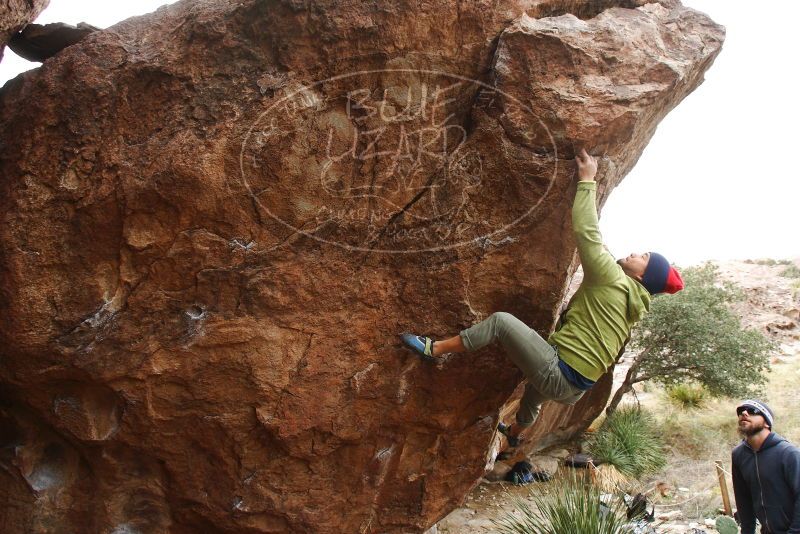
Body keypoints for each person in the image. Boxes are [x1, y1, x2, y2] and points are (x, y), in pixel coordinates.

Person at [400, 148, 684, 446]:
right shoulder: (633, 305)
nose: (637, 252)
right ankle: (516, 434)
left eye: (645, 256)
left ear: (642, 275)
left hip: (561, 372)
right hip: (575, 388)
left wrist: (588, 179)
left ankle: (434, 349)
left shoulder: (613, 279)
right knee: (534, 395)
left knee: (501, 323)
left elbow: (587, 231)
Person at [731, 399, 800, 534]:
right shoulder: (739, 454)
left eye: (753, 411)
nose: (744, 413)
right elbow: (743, 498)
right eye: (740, 412)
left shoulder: (788, 453)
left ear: (767, 423)